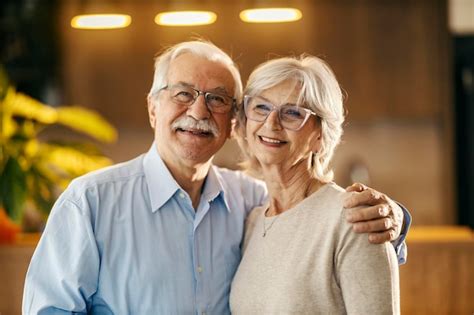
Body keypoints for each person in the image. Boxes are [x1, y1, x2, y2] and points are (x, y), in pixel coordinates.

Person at [23, 41, 408, 314]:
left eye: (218, 99)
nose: (199, 110)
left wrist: (394, 220)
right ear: (153, 108)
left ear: (231, 123)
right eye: (183, 93)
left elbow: (330, 229)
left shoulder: (249, 201)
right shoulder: (90, 202)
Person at [230, 55, 400, 314]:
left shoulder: (353, 218)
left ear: (320, 135)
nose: (271, 123)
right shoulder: (252, 221)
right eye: (261, 107)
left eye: (292, 113)